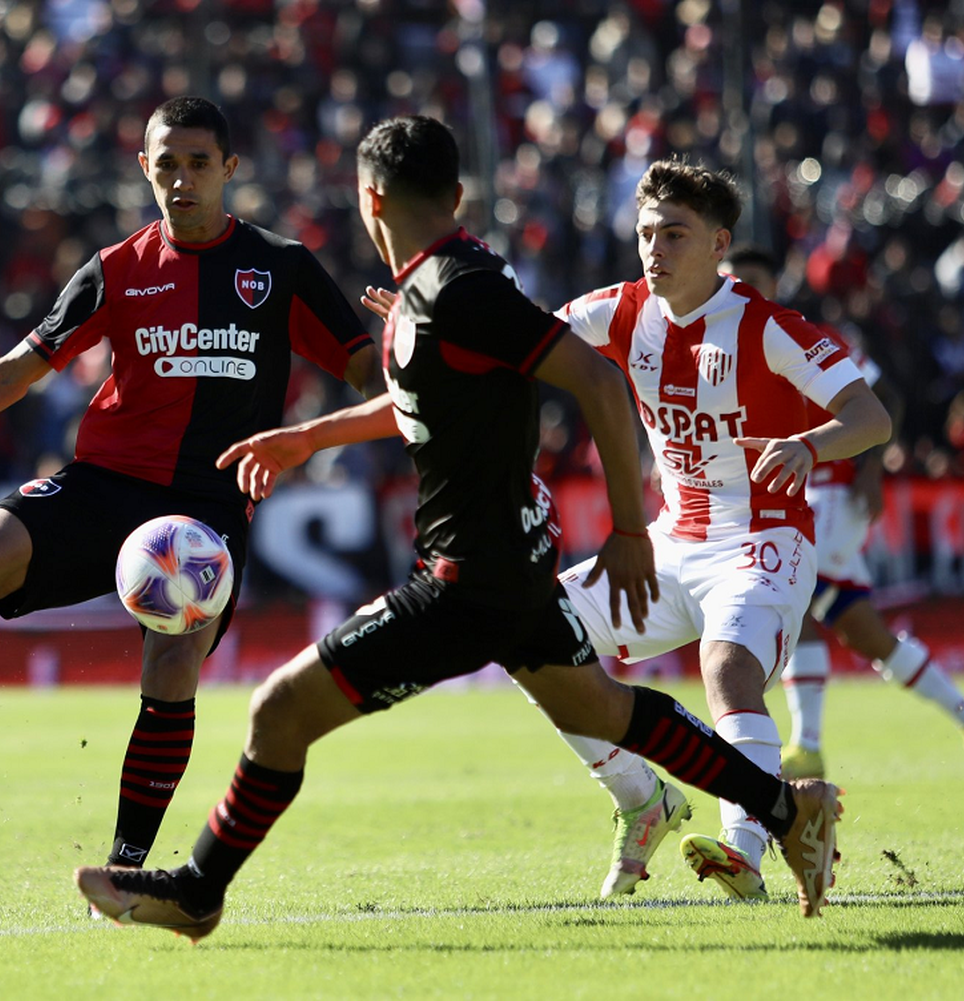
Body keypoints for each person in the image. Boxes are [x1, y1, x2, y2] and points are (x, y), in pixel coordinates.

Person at [72, 117, 844, 939]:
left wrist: (626, 528)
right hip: (511, 564)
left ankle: (197, 893)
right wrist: (309, 436)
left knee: (278, 712)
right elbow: (431, 401)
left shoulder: (457, 289)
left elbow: (597, 382)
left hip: (465, 579)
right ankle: (785, 809)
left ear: (370, 199)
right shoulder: (443, 285)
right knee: (608, 709)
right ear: (457, 196)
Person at [0, 97, 376, 871]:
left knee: (173, 662)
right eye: (167, 164)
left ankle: (124, 866)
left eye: (198, 163)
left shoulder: (280, 268)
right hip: (105, 485)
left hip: (209, 507)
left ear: (229, 170)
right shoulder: (117, 269)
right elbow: (15, 372)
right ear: (144, 167)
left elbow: (364, 368)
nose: (181, 180)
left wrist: (423, 341)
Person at [358, 162, 889, 904]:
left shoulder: (767, 327)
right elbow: (513, 345)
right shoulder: (618, 311)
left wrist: (810, 444)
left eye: (676, 233)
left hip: (761, 543)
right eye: (646, 233)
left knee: (728, 666)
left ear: (719, 244)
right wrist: (432, 327)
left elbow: (872, 417)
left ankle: (748, 848)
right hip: (671, 544)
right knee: (525, 634)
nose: (656, 248)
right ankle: (644, 800)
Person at [721, 246, 964, 787]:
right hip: (781, 498)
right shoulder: (722, 350)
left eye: (755, 280)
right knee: (867, 635)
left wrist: (872, 469)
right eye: (736, 280)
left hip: (830, 492)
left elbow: (884, 397)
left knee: (793, 593)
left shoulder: (802, 334)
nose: (745, 290)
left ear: (774, 284)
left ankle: (806, 747)